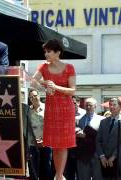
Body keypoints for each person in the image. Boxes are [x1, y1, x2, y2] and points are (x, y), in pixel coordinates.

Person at [33, 39, 76, 180]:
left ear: (58, 52)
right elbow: (33, 82)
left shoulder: (69, 67)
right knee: (54, 145)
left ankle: (59, 175)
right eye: (45, 51)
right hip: (51, 108)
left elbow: (73, 91)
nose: (46, 54)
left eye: (49, 51)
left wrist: (56, 87)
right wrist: (44, 85)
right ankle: (59, 175)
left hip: (66, 108)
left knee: (62, 145)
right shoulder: (43, 67)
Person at [96, 98, 121, 180]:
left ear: (120, 107)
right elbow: (98, 140)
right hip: (104, 160)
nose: (111, 107)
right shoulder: (103, 122)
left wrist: (113, 156)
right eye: (110, 105)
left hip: (118, 160)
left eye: (114, 105)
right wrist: (102, 156)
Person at [75, 97, 104, 180]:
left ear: (95, 107)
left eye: (90, 105)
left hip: (96, 153)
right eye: (86, 105)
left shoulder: (102, 120)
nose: (88, 107)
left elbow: (103, 137)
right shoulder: (79, 120)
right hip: (83, 155)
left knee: (98, 177)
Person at [28, 88, 54, 180]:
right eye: (31, 97)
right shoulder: (28, 111)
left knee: (46, 168)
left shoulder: (48, 108)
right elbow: (27, 128)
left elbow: (52, 126)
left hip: (46, 143)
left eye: (35, 96)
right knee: (33, 169)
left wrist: (44, 140)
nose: (33, 98)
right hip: (32, 144)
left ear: (39, 96)